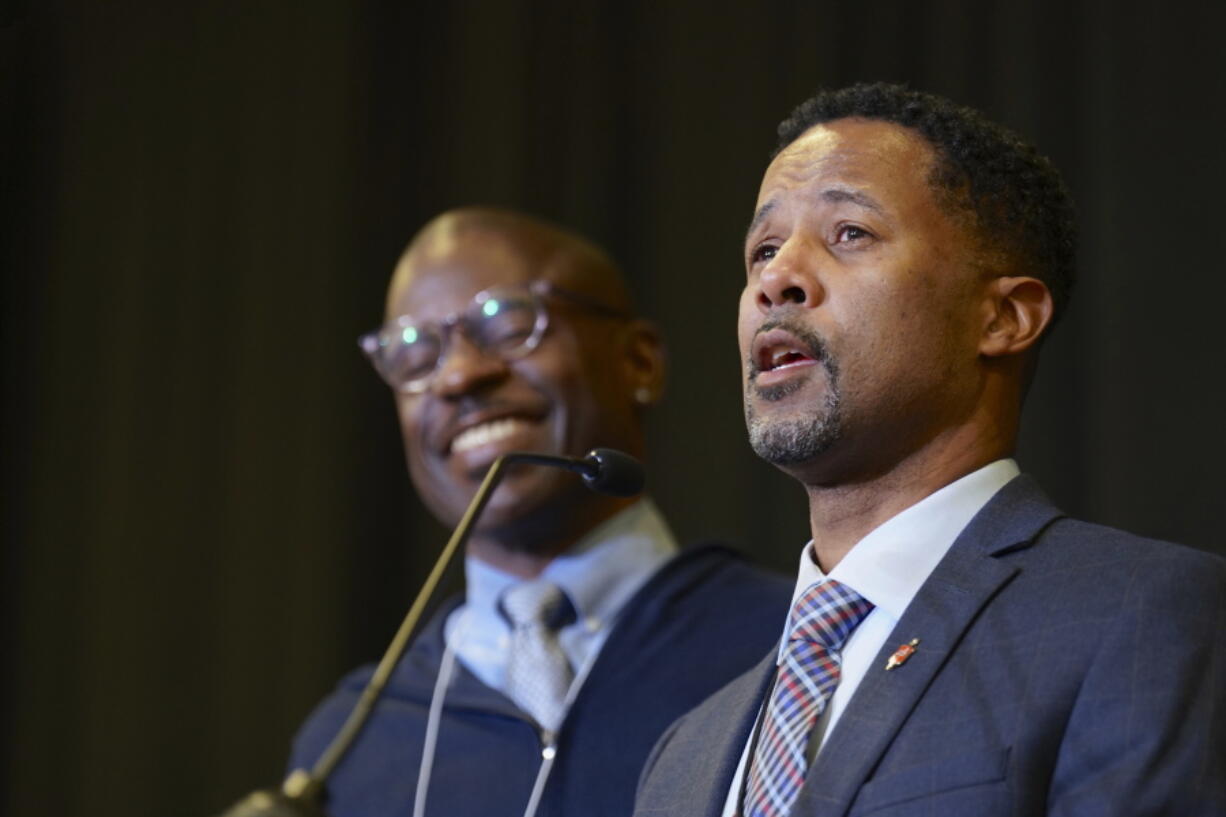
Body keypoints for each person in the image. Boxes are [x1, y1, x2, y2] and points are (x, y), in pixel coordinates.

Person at [633, 83, 1226, 817]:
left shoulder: (1140, 616)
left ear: (1004, 316)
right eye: (762, 249)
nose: (775, 279)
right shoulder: (685, 752)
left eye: (849, 232)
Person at [288, 208, 791, 817]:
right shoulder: (349, 743)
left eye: (507, 321)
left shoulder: (791, 648)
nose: (459, 374)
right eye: (414, 352)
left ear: (639, 362)